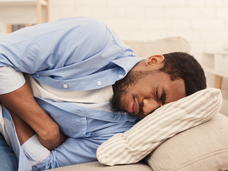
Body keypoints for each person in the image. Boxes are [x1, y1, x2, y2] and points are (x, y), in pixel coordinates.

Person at [0, 17, 206, 171]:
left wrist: (14, 103)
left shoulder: (120, 129)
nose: (149, 108)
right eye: (158, 94)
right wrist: (45, 126)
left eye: (160, 109)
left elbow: (42, 163)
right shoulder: (92, 39)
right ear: (153, 60)